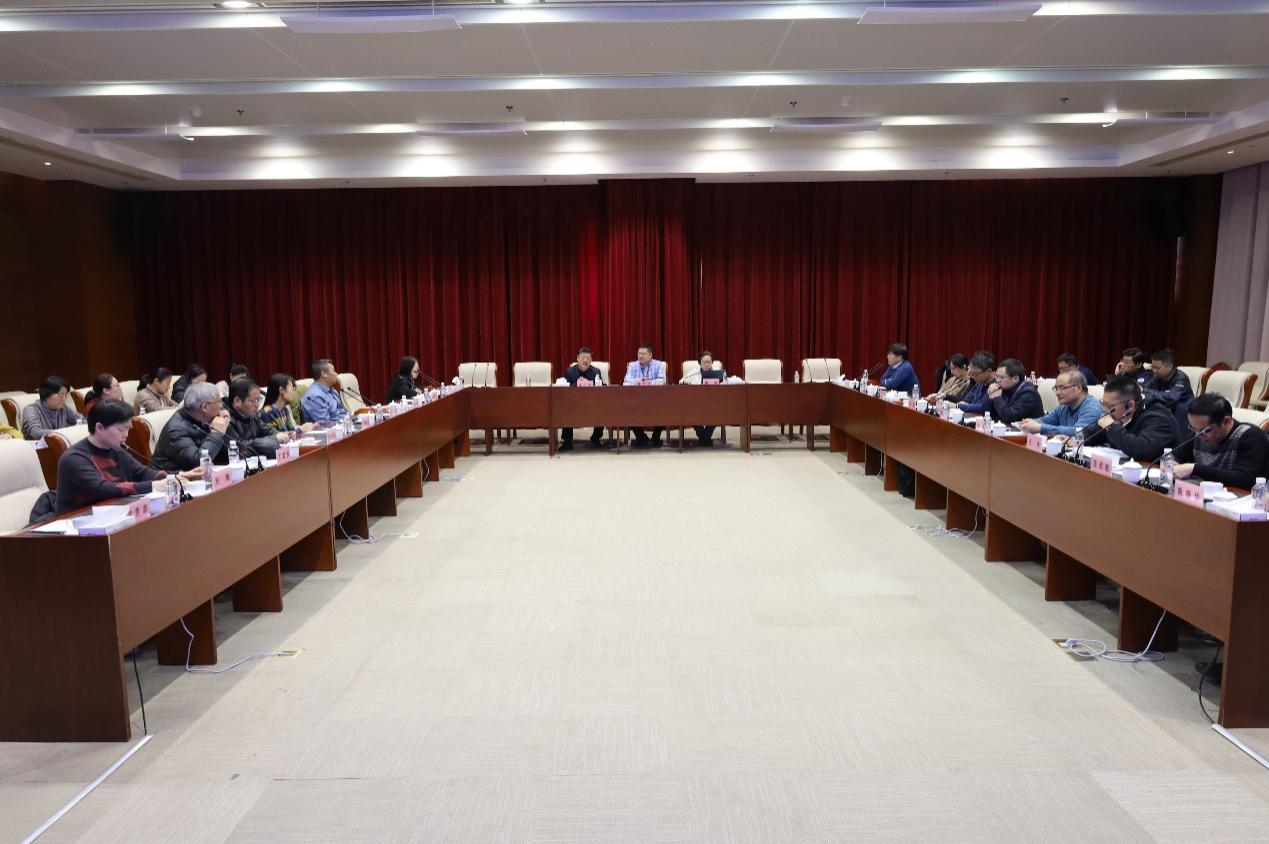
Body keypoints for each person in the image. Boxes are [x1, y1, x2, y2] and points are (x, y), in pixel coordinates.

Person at [55, 399, 201, 515]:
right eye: (121, 429)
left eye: (128, 429)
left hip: (115, 513)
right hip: (79, 522)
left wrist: (178, 476)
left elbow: (145, 473)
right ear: (99, 428)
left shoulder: (117, 450)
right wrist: (153, 486)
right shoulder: (74, 458)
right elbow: (101, 488)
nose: (126, 434)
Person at [1171, 393, 1269, 489]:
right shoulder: (1199, 433)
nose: (1197, 435)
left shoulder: (1251, 437)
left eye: (1204, 430)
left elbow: (1246, 479)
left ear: (1226, 421)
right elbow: (1176, 456)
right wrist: (1172, 464)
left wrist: (1195, 469)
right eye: (1193, 428)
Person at [1079, 376, 1178, 462]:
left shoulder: (1158, 417)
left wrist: (1111, 427)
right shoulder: (1118, 413)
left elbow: (1141, 450)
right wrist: (1077, 439)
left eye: (1109, 406)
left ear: (1130, 405)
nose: (1105, 410)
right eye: (1103, 404)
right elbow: (1094, 434)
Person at [152, 381, 231, 471]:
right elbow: (199, 462)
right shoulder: (176, 430)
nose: (221, 406)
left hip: (199, 475)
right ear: (205, 407)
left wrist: (225, 426)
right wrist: (216, 433)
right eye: (218, 402)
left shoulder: (200, 417)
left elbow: (230, 453)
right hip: (172, 477)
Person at [1019, 371, 1102, 437]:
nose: (1057, 393)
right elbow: (1046, 421)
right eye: (1056, 388)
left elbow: (1079, 433)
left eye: (1062, 388)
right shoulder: (1064, 406)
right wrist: (1030, 423)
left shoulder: (1092, 408)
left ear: (1078, 388)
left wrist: (1041, 428)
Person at [223, 378, 286, 459]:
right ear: (237, 401)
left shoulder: (252, 415)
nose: (257, 405)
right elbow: (239, 445)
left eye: (258, 400)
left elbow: (267, 430)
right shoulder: (226, 420)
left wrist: (278, 434)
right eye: (253, 401)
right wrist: (274, 438)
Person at [560, 347, 606, 451]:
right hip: (574, 404)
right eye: (583, 358)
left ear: (591, 360)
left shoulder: (596, 371)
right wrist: (577, 383)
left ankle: (595, 438)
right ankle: (567, 441)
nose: (585, 360)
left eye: (588, 358)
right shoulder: (570, 372)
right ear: (577, 359)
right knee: (566, 409)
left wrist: (590, 383)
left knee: (602, 408)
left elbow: (601, 388)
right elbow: (565, 390)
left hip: (592, 403)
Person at [623, 342, 667, 447]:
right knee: (628, 410)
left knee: (664, 409)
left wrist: (647, 382)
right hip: (636, 399)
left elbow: (662, 381)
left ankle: (656, 437)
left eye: (643, 354)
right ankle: (641, 437)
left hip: (655, 398)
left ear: (650, 355)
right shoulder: (633, 365)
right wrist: (640, 381)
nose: (640, 356)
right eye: (639, 353)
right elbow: (626, 382)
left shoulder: (658, 365)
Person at [21, 375, 84, 440]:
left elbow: (82, 420)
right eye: (61, 395)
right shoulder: (31, 410)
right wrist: (64, 433)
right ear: (46, 394)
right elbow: (36, 433)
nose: (64, 399)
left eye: (66, 395)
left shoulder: (64, 408)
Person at [1143, 348, 1193, 425]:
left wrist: (1151, 393)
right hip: (1166, 409)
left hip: (1182, 412)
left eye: (1157, 368)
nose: (1154, 371)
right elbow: (1143, 389)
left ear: (1169, 367)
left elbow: (1173, 396)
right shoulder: (1157, 376)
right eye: (1153, 367)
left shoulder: (1181, 378)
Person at [984, 358, 1044, 423]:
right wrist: (991, 395)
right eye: (996, 376)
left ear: (1015, 379)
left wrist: (997, 398)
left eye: (1001, 377)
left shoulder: (1028, 393)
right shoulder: (1003, 388)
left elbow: (1009, 417)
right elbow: (986, 412)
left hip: (1027, 428)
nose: (997, 380)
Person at [686, 351, 726, 447]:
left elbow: (725, 385)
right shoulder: (694, 372)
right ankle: (704, 437)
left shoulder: (718, 372)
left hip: (714, 403)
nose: (707, 364)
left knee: (718, 412)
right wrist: (687, 383)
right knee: (689, 412)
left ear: (712, 362)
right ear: (700, 363)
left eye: (709, 362)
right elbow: (682, 381)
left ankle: (705, 437)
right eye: (704, 362)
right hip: (696, 403)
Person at [301, 359, 349, 424]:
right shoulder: (314, 396)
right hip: (330, 428)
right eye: (334, 371)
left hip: (343, 425)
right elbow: (325, 424)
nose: (336, 374)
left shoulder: (332, 390)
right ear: (324, 374)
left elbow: (341, 412)